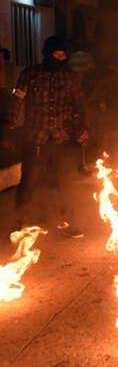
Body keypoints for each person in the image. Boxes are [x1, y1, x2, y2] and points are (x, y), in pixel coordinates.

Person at [0, 36, 88, 237]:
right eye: (56, 54)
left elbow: (80, 105)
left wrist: (83, 127)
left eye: (63, 54)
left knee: (65, 182)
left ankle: (70, 222)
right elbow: (16, 102)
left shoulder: (71, 77)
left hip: (62, 138)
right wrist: (8, 128)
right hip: (35, 138)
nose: (60, 58)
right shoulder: (30, 74)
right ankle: (19, 223)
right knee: (29, 181)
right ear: (47, 54)